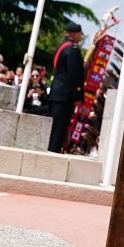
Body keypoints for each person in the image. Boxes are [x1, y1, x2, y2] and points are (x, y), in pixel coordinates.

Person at [47, 22, 85, 153]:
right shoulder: (72, 49)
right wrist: (78, 96)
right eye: (80, 34)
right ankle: (52, 155)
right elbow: (74, 75)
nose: (81, 36)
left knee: (54, 128)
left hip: (56, 92)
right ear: (74, 34)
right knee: (59, 130)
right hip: (65, 95)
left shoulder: (62, 46)